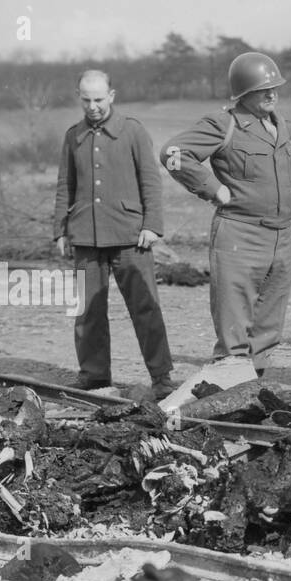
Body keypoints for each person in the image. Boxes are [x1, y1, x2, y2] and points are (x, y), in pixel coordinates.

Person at [160, 53, 291, 377]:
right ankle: (228, 394)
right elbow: (172, 153)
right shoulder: (223, 124)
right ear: (243, 93)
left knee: (269, 325)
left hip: (281, 239)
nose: (272, 94)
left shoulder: (285, 127)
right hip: (239, 236)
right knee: (234, 326)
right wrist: (212, 188)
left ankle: (252, 391)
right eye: (263, 90)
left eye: (275, 88)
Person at [53, 69, 175, 398]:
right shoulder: (73, 135)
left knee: (145, 309)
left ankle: (162, 377)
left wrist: (152, 225)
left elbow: (150, 180)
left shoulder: (132, 130)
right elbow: (66, 184)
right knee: (87, 310)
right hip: (86, 238)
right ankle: (94, 376)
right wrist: (60, 230)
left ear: (112, 96)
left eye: (98, 99)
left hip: (130, 237)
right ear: (79, 98)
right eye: (86, 100)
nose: (93, 107)